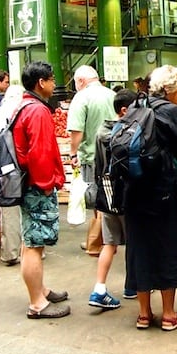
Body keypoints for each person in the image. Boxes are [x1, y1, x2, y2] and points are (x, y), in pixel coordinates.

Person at [125, 64, 177, 332]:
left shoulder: (136, 105)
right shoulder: (171, 111)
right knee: (168, 246)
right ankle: (168, 315)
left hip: (134, 191)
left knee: (140, 249)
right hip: (163, 191)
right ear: (170, 89)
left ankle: (144, 314)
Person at [12, 61, 69, 319]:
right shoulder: (37, 111)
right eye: (52, 79)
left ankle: (41, 290)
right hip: (37, 185)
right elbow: (40, 153)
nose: (54, 84)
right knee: (34, 244)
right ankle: (37, 303)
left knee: (31, 241)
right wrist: (48, 184)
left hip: (29, 183)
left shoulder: (24, 106)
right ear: (41, 83)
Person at [87, 88, 137, 310]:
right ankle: (132, 286)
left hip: (106, 194)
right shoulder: (131, 132)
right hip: (127, 195)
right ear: (125, 110)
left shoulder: (101, 132)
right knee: (134, 243)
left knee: (109, 244)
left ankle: (99, 289)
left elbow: (98, 166)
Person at [66, 65, 116, 255]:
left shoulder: (81, 98)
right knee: (110, 196)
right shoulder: (111, 94)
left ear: (80, 81)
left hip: (93, 156)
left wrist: (72, 153)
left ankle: (97, 242)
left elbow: (77, 131)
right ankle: (108, 239)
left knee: (95, 199)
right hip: (114, 156)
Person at [0, 84, 26, 266]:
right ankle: (32, 250)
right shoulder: (25, 111)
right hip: (25, 165)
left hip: (5, 169)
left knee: (9, 209)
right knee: (29, 207)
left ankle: (10, 253)